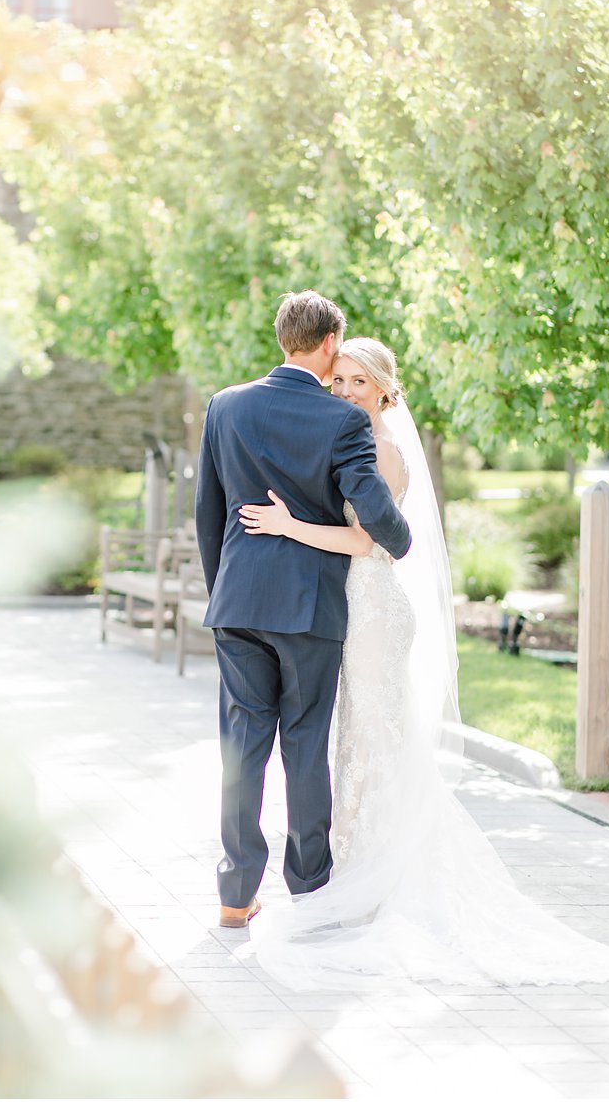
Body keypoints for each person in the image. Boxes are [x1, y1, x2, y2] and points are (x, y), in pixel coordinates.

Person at [235, 336, 609, 986]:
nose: (346, 391)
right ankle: (352, 872)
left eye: (358, 381)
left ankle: (375, 878)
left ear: (385, 388)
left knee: (373, 738)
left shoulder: (383, 450)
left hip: (372, 609)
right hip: (343, 605)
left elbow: (371, 538)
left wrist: (287, 527)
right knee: (355, 739)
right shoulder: (347, 439)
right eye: (340, 380)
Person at [195, 290, 413, 929]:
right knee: (305, 743)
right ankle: (310, 885)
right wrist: (400, 540)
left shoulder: (225, 406)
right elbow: (373, 509)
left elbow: (208, 512)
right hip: (310, 606)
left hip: (236, 601)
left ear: (283, 338)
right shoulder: (341, 420)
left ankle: (235, 892)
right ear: (328, 345)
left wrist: (225, 588)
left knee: (241, 746)